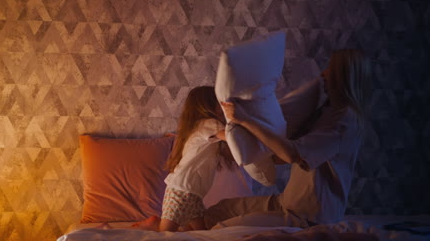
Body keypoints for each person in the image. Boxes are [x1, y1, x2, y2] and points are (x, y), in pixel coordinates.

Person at [200, 49, 372, 229]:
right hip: (289, 202)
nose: (324, 73)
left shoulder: (343, 122)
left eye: (331, 69)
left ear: (343, 77)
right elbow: (282, 158)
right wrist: (248, 148)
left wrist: (244, 119)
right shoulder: (326, 110)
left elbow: (291, 154)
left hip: (309, 216)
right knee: (219, 211)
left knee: (223, 229)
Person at [133, 86, 234, 231]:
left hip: (193, 193)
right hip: (181, 190)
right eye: (219, 102)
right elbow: (232, 138)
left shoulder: (201, 126)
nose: (222, 105)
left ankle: (154, 223)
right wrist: (233, 117)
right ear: (208, 104)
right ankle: (150, 225)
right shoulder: (209, 123)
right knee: (165, 234)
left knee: (201, 233)